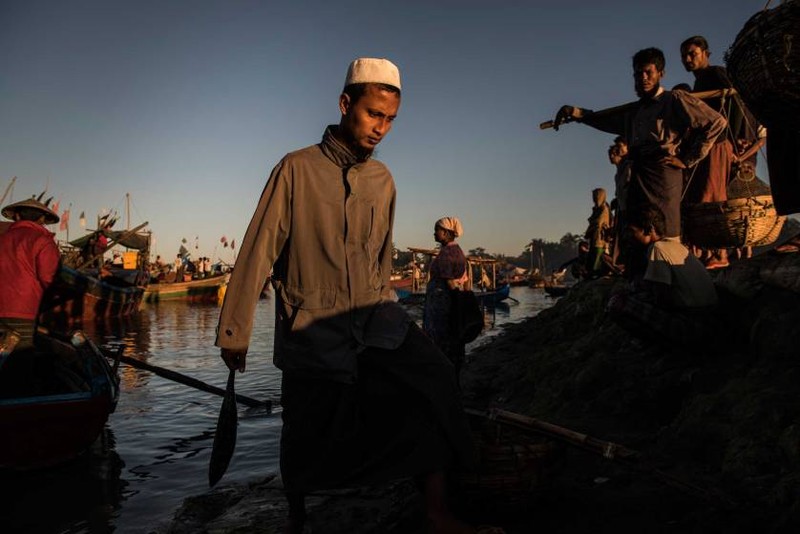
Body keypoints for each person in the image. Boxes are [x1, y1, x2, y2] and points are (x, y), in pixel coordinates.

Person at [214, 58, 475, 533]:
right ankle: (296, 515)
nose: (382, 128)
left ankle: (437, 511)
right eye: (374, 114)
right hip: (312, 326)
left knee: (436, 377)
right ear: (344, 104)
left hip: (376, 320)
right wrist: (235, 332)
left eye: (391, 119)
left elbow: (381, 258)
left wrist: (390, 314)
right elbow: (257, 250)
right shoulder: (295, 169)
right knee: (304, 430)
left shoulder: (383, 181)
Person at [553, 47, 726, 279]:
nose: (642, 78)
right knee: (635, 236)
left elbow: (716, 123)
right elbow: (602, 119)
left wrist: (686, 159)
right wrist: (575, 112)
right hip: (639, 177)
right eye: (637, 74)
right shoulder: (634, 112)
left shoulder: (674, 100)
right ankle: (639, 284)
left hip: (664, 176)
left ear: (660, 73)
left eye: (648, 72)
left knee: (665, 234)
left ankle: (672, 282)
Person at [680, 35, 766, 269]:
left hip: (724, 144)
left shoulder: (716, 74)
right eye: (684, 56)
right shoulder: (698, 84)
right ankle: (719, 253)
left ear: (706, 53)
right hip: (711, 145)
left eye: (692, 54)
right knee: (711, 194)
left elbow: (737, 100)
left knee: (718, 196)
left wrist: (742, 141)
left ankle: (721, 254)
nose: (688, 59)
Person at [606, 203, 719, 346]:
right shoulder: (676, 246)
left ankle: (661, 345)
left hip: (692, 324)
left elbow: (662, 297)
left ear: (649, 229)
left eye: (632, 231)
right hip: (709, 318)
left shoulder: (657, 249)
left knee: (617, 303)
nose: (628, 237)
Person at [0, 197, 61, 393]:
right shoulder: (42, 241)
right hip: (23, 311)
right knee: (19, 362)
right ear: (43, 219)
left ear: (16, 216)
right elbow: (48, 278)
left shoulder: (2, 238)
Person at [423, 217, 469, 386]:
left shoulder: (447, 254)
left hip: (441, 306)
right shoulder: (457, 251)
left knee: (441, 340)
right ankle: (451, 376)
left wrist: (455, 303)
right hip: (445, 303)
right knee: (451, 340)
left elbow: (450, 282)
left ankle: (444, 378)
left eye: (436, 230)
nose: (434, 233)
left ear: (446, 232)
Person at [584, 188, 610, 277]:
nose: (594, 199)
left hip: (600, 239)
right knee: (592, 256)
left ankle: (595, 274)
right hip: (594, 237)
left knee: (597, 256)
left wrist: (589, 229)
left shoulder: (604, 209)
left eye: (596, 197)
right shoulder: (597, 209)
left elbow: (598, 223)